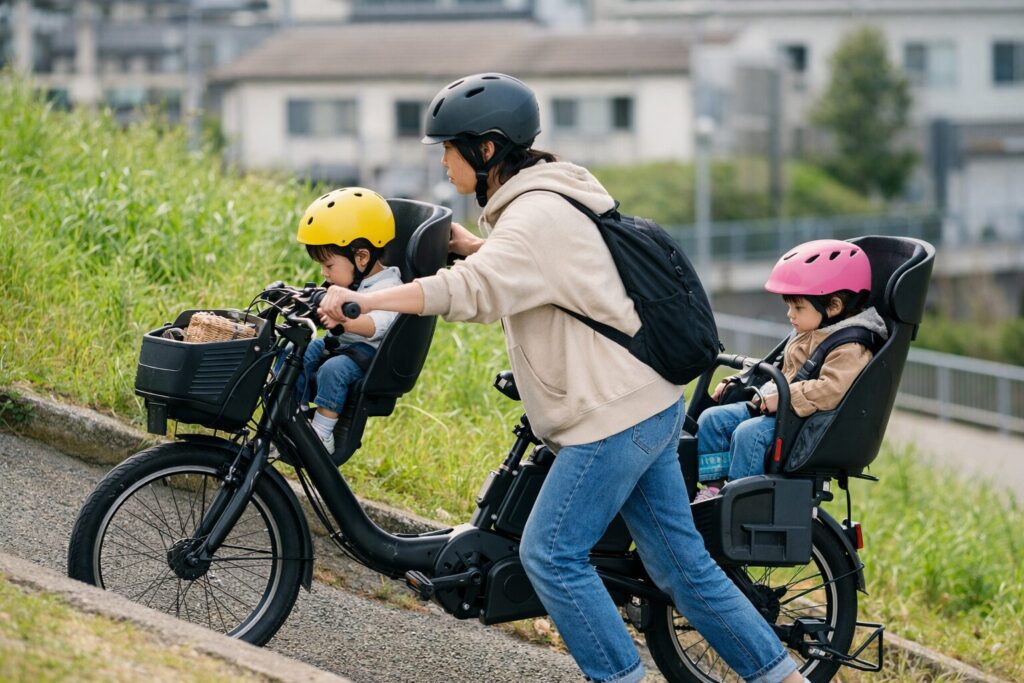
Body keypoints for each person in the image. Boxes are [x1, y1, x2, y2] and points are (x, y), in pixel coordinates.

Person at [319, 73, 807, 683]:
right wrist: (476, 246)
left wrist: (370, 303)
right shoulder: (542, 202)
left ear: (487, 149)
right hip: (643, 401)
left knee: (551, 553)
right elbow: (527, 271)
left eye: (449, 147)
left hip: (614, 415)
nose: (442, 160)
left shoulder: (537, 214)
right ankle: (781, 677)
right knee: (682, 567)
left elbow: (478, 292)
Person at [694, 239, 889, 502]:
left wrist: (786, 395)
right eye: (789, 306)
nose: (790, 314)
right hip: (777, 408)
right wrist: (739, 382)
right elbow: (776, 365)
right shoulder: (810, 330)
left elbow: (831, 390)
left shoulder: (850, 345)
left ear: (833, 307)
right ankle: (713, 491)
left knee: (748, 435)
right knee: (711, 420)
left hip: (802, 423)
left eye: (798, 307)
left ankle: (738, 503)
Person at [294, 187, 403, 453]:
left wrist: (345, 322)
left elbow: (377, 325)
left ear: (362, 257)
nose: (324, 273)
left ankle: (322, 433)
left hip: (367, 354)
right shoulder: (347, 281)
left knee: (333, 371)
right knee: (298, 352)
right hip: (338, 343)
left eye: (329, 266)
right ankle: (292, 413)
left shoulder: (390, 287)